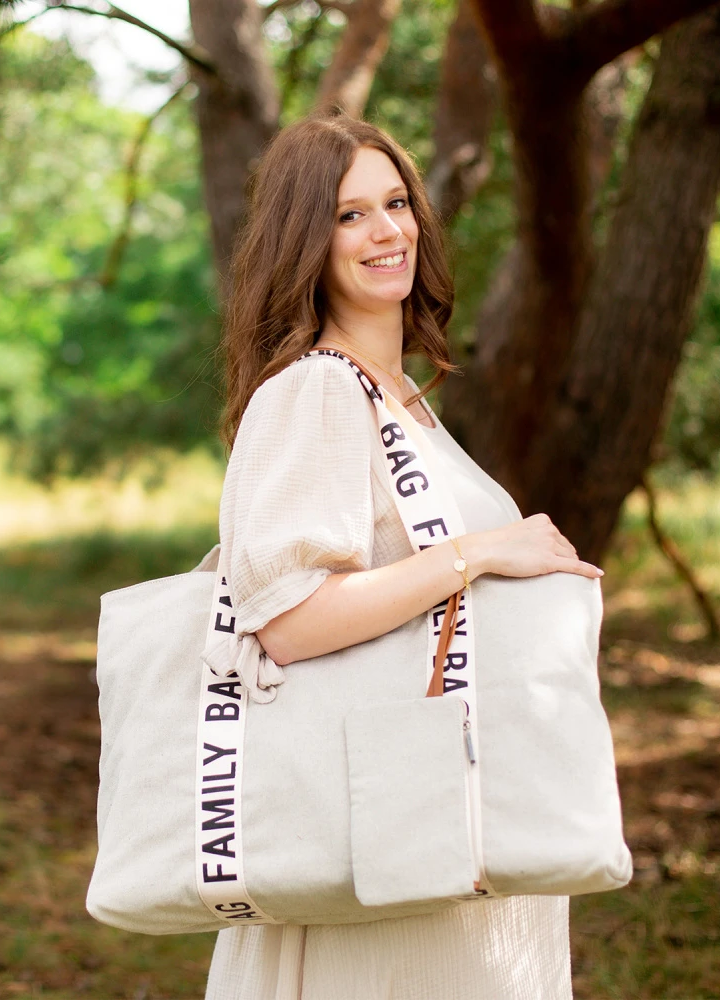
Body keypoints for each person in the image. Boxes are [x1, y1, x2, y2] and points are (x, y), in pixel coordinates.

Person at [203, 115, 603, 1000]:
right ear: (304, 240)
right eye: (350, 216)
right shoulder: (316, 389)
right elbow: (289, 621)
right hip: (385, 855)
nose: (388, 232)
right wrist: (482, 551)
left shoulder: (403, 401)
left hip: (444, 827)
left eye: (396, 203)